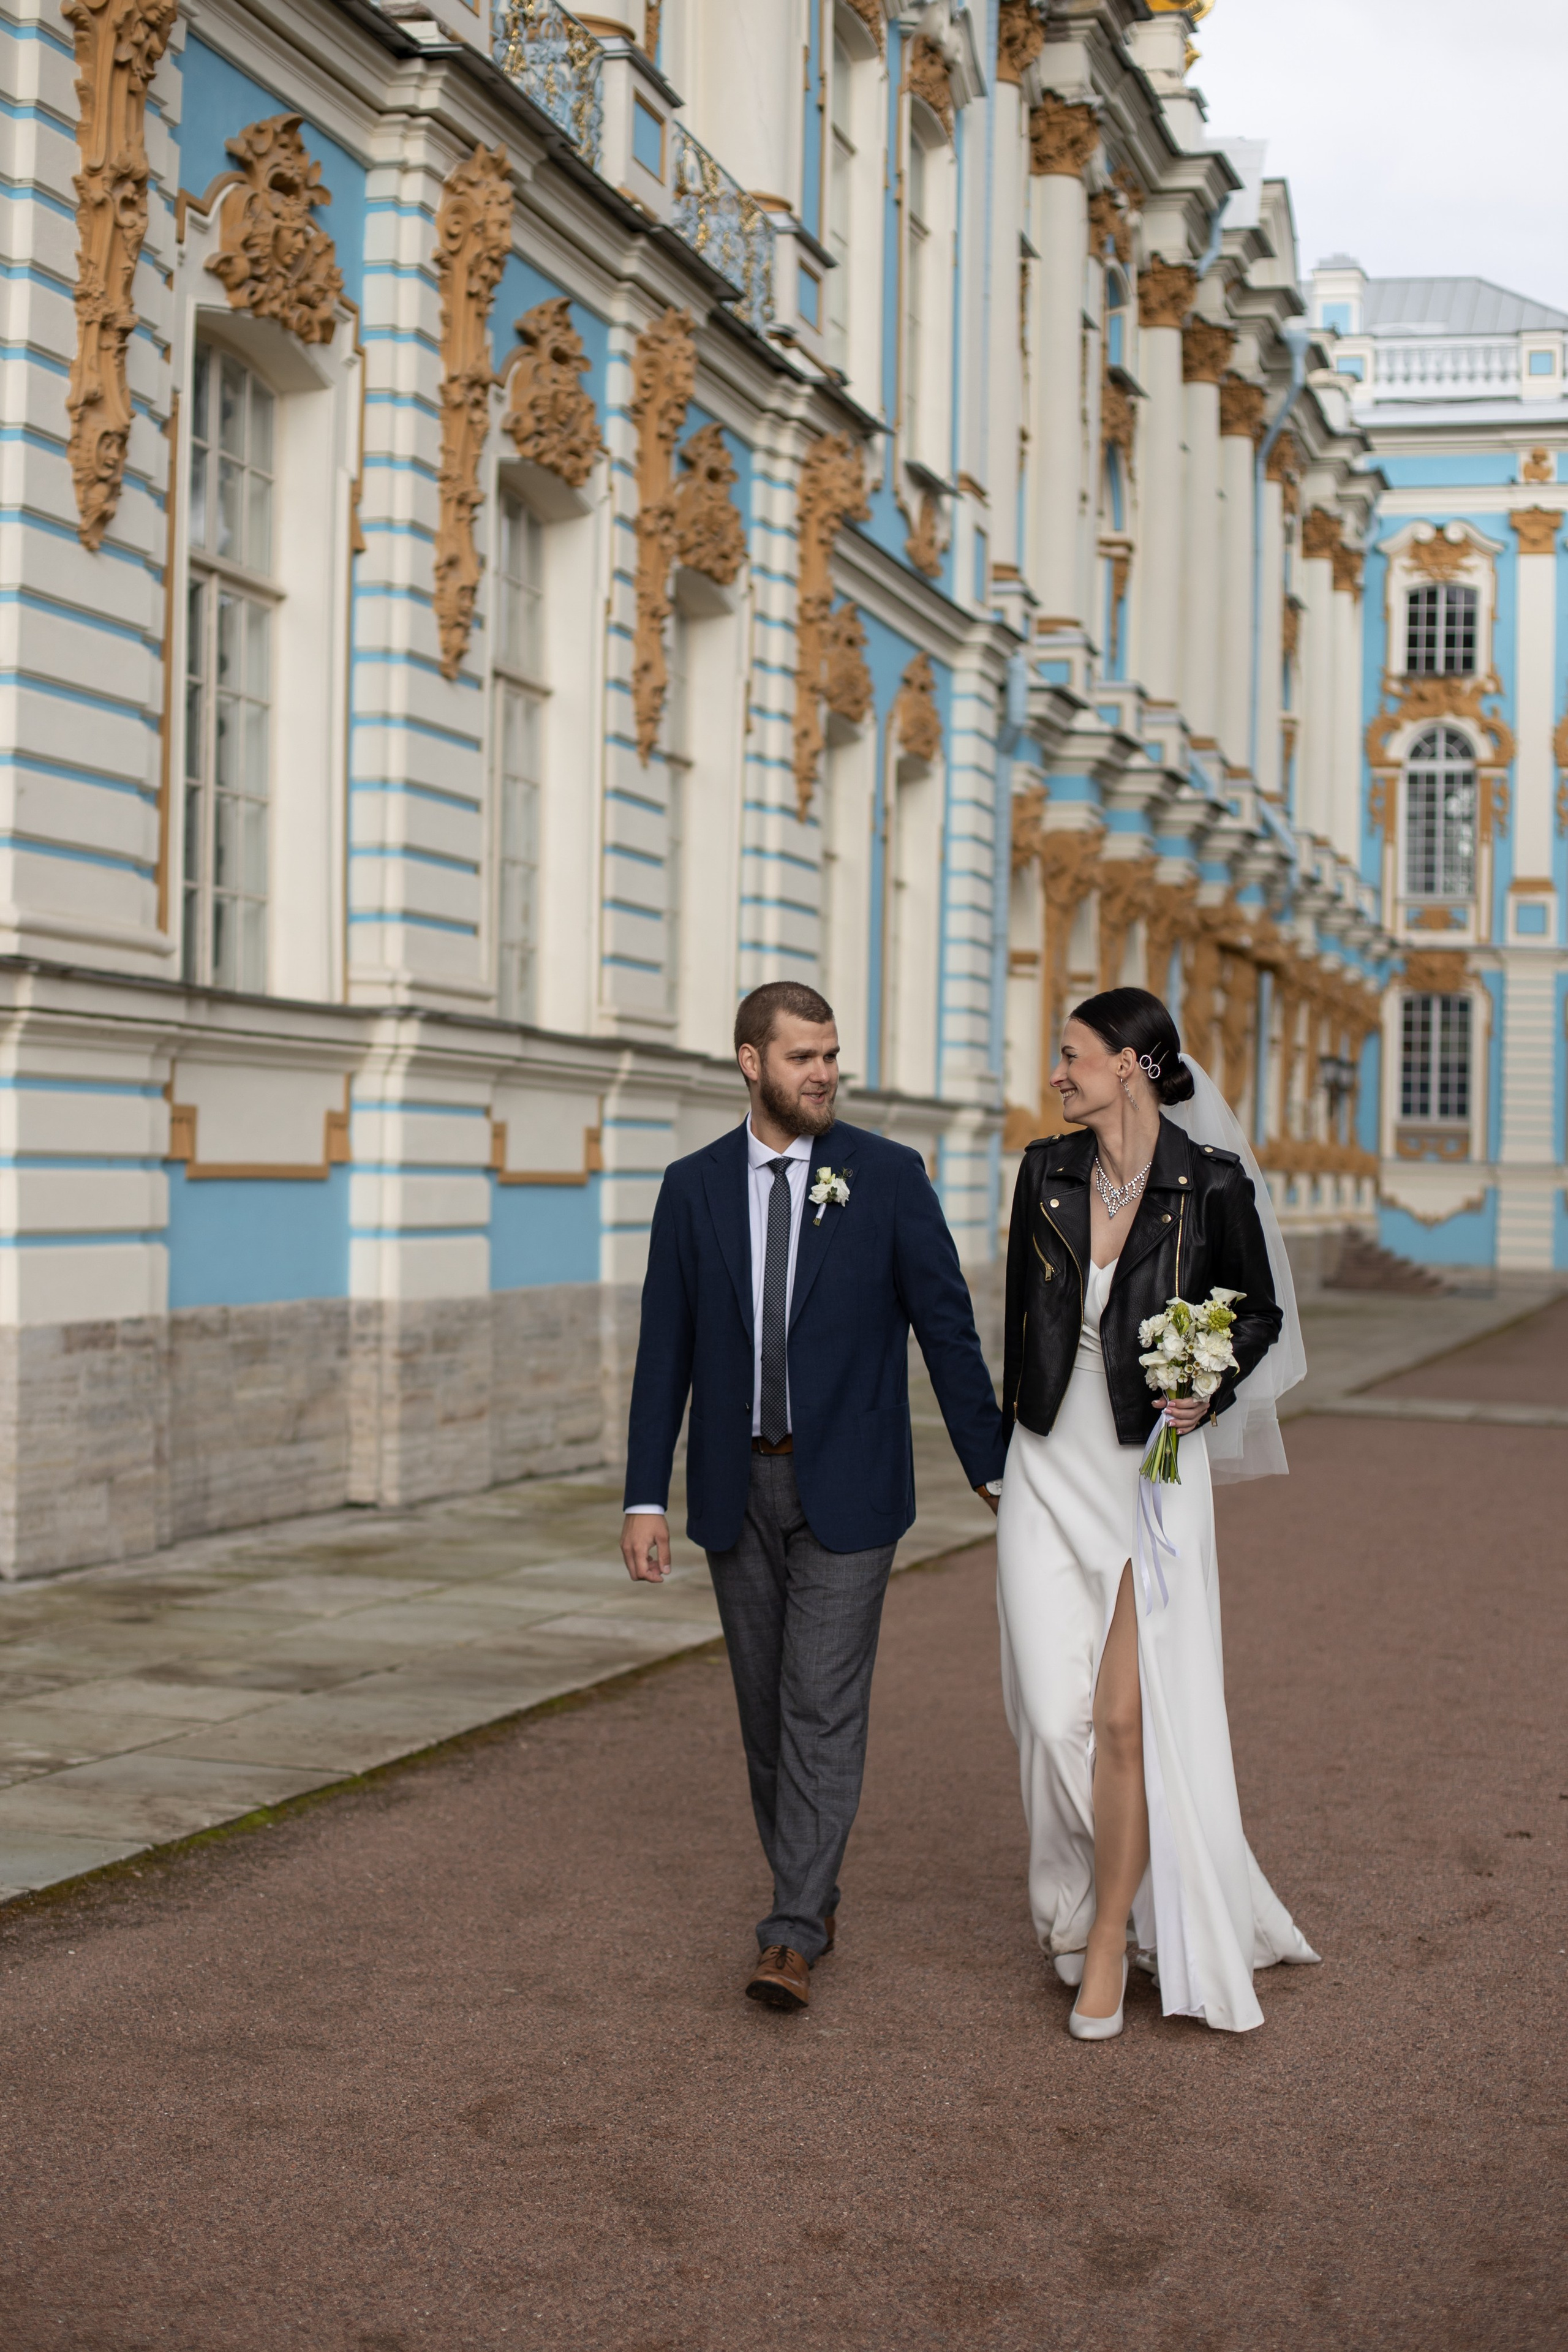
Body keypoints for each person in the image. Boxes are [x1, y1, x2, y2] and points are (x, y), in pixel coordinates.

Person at [622, 981, 1008, 2011]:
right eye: (803, 1057)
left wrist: (995, 1466)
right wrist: (642, 1498)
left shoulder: (886, 1176)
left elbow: (947, 1326)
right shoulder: (692, 1186)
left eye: (831, 1054)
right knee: (764, 1715)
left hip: (851, 1485)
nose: (824, 1072)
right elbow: (665, 1353)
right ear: (752, 1063)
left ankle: (791, 1931)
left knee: (820, 1702)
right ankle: (813, 1884)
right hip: (730, 1486)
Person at [996, 986, 1319, 2038]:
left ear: (1130, 1063)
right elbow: (1018, 1319)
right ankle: (1116, 1888)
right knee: (1053, 1720)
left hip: (1151, 1475)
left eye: (1072, 1053)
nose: (1057, 1071)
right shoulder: (1043, 1173)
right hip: (1047, 1463)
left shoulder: (1209, 1185)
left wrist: (1208, 1389)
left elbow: (1258, 1310)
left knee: (1126, 1721)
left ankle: (1107, 1936)